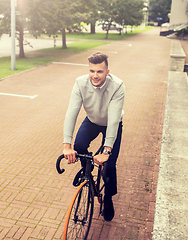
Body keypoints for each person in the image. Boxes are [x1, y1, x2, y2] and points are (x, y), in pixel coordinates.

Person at [63, 52, 125, 222]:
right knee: (79, 146)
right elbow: (72, 113)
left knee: (109, 165)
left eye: (99, 71)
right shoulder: (80, 83)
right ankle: (87, 172)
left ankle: (109, 198)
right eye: (92, 71)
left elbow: (113, 120)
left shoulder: (118, 85)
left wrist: (106, 150)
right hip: (91, 120)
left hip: (112, 124)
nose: (95, 75)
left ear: (107, 71)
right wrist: (66, 144)